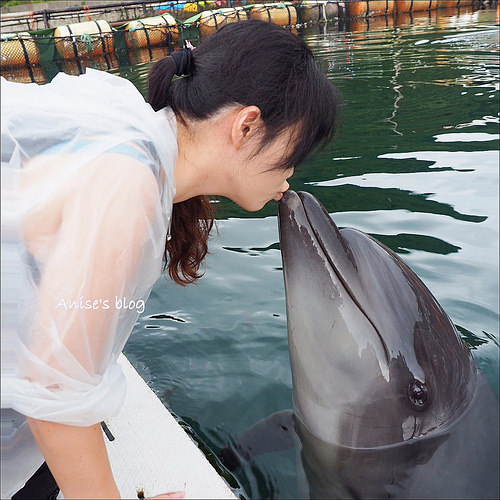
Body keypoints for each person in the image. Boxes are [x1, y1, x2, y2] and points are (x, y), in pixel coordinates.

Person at [1, 20, 339, 499]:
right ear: (246, 125)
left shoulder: (128, 124)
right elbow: (52, 396)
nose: (288, 178)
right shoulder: (130, 185)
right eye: (292, 156)